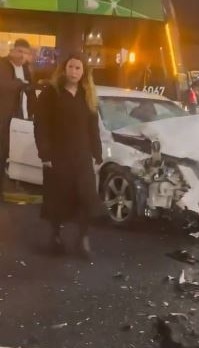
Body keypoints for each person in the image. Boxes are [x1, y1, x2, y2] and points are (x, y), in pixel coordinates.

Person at [34, 52, 104, 257]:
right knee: (58, 198)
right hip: (58, 155)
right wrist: (44, 154)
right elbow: (41, 125)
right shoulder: (51, 93)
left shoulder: (87, 95)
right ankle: (55, 237)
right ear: (64, 69)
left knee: (86, 198)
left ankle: (83, 239)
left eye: (78, 68)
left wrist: (97, 155)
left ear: (84, 72)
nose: (74, 71)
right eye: (71, 67)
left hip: (81, 155)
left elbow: (93, 128)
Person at [0, 38, 36, 200]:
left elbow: (31, 91)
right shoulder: (3, 65)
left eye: (26, 52)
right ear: (12, 51)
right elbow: (5, 84)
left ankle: (15, 185)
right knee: (3, 152)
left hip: (22, 118)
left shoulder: (28, 69)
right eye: (19, 51)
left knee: (16, 152)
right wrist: (21, 83)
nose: (22, 56)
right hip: (4, 117)